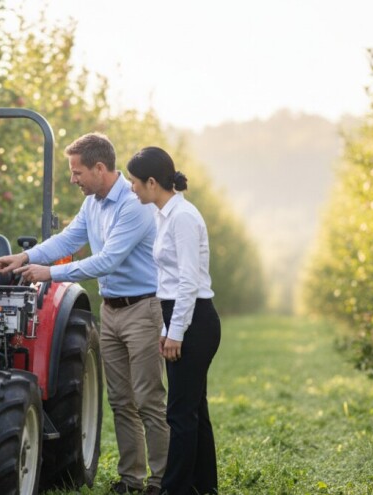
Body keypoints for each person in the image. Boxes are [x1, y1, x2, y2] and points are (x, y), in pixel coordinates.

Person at [0, 133, 169, 495]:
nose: (73, 179)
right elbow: (69, 239)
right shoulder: (94, 204)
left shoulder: (134, 206)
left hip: (143, 310)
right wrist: (26, 257)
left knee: (149, 399)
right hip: (113, 310)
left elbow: (107, 260)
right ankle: (132, 479)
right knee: (120, 400)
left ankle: (163, 480)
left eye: (77, 171)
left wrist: (49, 273)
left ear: (99, 168)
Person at [126, 147, 221, 495]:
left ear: (152, 182)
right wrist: (167, 328)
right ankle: (203, 487)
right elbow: (170, 283)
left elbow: (188, 282)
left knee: (180, 413)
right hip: (179, 315)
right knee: (194, 409)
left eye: (135, 182)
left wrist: (176, 332)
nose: (132, 188)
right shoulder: (163, 214)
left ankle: (175, 489)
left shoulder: (182, 217)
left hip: (194, 319)